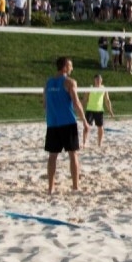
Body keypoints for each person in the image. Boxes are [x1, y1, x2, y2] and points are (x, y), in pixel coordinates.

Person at [44, 57, 86, 194]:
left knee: (52, 156)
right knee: (73, 154)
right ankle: (75, 186)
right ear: (64, 68)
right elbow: (76, 103)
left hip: (52, 123)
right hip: (67, 122)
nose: (72, 68)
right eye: (70, 66)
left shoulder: (48, 83)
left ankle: (50, 188)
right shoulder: (69, 82)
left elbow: (45, 104)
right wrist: (85, 121)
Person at [82, 73, 115, 148]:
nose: (98, 81)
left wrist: (110, 111)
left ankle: (99, 143)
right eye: (96, 79)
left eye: (99, 79)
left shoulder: (104, 89)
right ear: (94, 80)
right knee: (87, 127)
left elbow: (107, 100)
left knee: (100, 127)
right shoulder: (90, 88)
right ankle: (84, 142)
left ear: (101, 80)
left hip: (99, 110)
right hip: (90, 110)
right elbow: (84, 99)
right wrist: (81, 108)